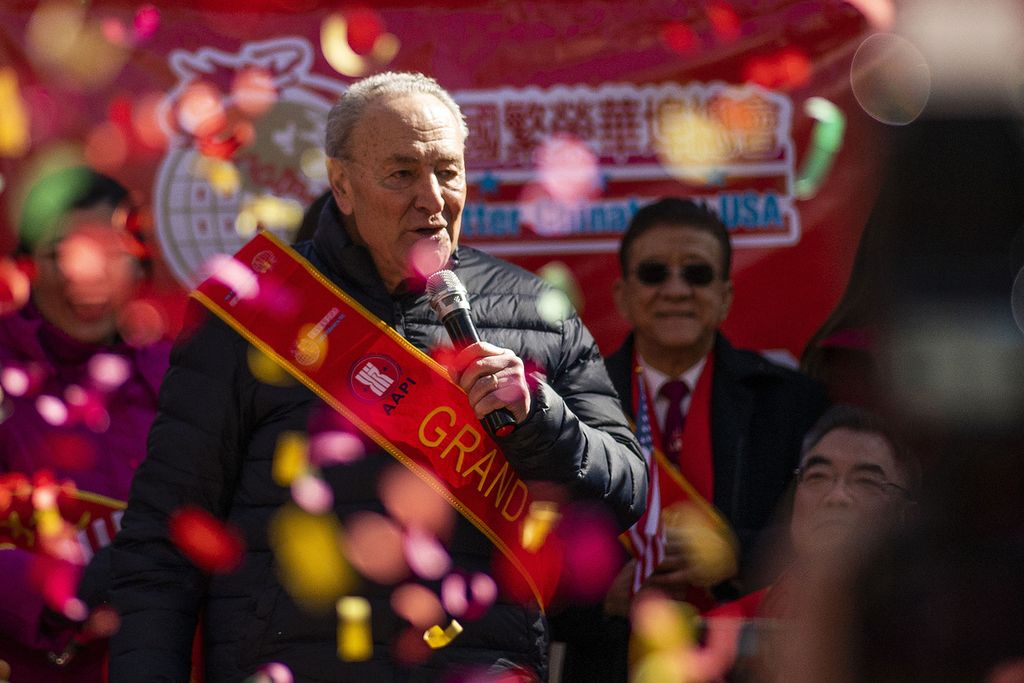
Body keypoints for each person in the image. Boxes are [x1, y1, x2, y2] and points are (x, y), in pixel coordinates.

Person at [108, 71, 647, 682]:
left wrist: (539, 421)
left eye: (447, 171)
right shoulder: (253, 313)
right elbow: (165, 539)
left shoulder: (533, 310)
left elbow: (625, 491)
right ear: (342, 185)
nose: (433, 197)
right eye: (402, 174)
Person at [554, 197, 827, 682]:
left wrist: (737, 556)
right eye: (654, 273)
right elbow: (524, 561)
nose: (676, 290)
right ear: (621, 295)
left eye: (697, 274)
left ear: (725, 296)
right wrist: (601, 599)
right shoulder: (568, 407)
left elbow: (827, 545)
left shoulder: (794, 405)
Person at [0, 166, 170, 681]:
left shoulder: (177, 376)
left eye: (109, 253)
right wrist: (59, 594)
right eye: (62, 254)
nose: (87, 275)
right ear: (25, 263)